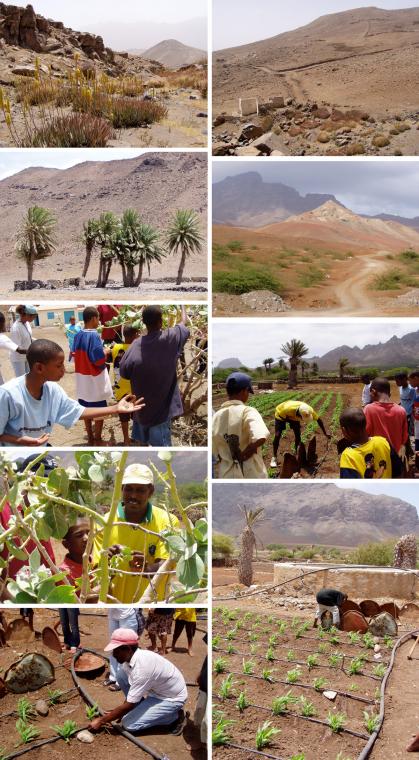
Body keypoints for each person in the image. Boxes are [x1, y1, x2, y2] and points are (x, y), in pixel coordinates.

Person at [0, 339, 144, 446]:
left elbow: (78, 412)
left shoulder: (53, 391)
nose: (64, 369)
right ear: (39, 368)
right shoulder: (8, 394)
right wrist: (18, 440)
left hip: (40, 451)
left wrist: (116, 408)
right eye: (58, 365)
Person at [92, 463, 179, 603]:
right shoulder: (105, 523)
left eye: (140, 490)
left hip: (150, 603)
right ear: (121, 489)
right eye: (129, 489)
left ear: (150, 491)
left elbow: (166, 567)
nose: (133, 495)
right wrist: (107, 562)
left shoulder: (167, 521)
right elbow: (96, 575)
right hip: (114, 603)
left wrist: (146, 568)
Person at [89, 628, 187, 734]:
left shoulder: (142, 668)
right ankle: (139, 707)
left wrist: (102, 720)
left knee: (129, 724)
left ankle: (174, 716)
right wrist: (121, 711)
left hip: (170, 699)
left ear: (127, 649)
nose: (113, 654)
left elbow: (129, 704)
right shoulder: (131, 658)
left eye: (116, 650)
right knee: (121, 675)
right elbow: (129, 700)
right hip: (157, 692)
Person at [119, 305, 190, 446]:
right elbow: (184, 322)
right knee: (162, 451)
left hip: (140, 412)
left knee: (142, 446)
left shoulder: (135, 345)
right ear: (161, 322)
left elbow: (124, 373)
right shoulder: (170, 337)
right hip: (161, 415)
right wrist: (182, 306)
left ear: (143, 323)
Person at [0, 455, 56, 599]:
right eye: (44, 481)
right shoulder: (3, 512)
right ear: (26, 481)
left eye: (53, 485)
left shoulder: (42, 516)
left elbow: (49, 568)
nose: (49, 490)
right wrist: (13, 601)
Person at [212, 372, 270, 479]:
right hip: (250, 473)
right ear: (244, 391)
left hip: (226, 475)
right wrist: (246, 453)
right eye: (248, 391)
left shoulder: (216, 416)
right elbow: (261, 435)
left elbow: (214, 451)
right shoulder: (247, 411)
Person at [73, 306, 114, 445]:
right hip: (93, 379)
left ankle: (90, 436)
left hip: (81, 377)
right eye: (98, 318)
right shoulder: (94, 335)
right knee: (99, 410)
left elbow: (74, 354)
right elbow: (97, 359)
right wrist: (106, 351)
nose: (100, 321)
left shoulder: (78, 334)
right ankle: (97, 438)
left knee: (85, 408)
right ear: (93, 318)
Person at [364, 377, 408, 477]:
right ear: (389, 394)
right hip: (394, 459)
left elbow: (365, 434)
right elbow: (404, 438)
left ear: (373, 391)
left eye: (370, 393)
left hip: (377, 461)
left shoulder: (369, 409)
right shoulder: (401, 410)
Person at [271, 399, 330, 468]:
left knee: (298, 435)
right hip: (280, 414)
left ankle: (297, 454)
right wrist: (291, 421)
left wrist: (325, 433)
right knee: (277, 435)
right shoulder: (286, 409)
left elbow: (319, 420)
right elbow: (283, 417)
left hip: (293, 415)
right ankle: (274, 457)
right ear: (299, 415)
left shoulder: (309, 410)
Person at [339, 407, 392, 478]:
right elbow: (398, 472)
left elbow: (350, 487)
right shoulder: (383, 442)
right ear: (365, 423)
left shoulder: (348, 456)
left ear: (344, 430)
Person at [110, 324, 139, 446]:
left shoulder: (115, 347)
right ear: (135, 335)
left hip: (119, 389)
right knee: (136, 415)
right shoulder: (137, 348)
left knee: (123, 417)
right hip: (134, 388)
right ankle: (136, 437)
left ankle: (126, 439)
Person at [105, 608, 140, 691]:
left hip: (127, 614)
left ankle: (121, 680)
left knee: (124, 648)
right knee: (113, 646)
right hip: (113, 613)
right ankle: (113, 677)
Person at [59, 517, 90, 589]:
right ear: (66, 544)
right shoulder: (64, 574)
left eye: (89, 533)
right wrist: (104, 580)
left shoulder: (94, 563)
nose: (87, 538)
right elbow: (81, 600)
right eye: (79, 535)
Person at [0, 311, 27, 385]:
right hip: (17, 359)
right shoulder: (2, 338)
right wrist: (36, 350)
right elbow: (20, 350)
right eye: (3, 322)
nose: (5, 325)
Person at [10, 305, 37, 377]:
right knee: (21, 379)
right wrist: (33, 352)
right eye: (34, 316)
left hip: (27, 356)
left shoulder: (27, 323)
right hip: (18, 358)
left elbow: (28, 337)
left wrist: (38, 341)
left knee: (28, 376)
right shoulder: (16, 328)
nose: (34, 318)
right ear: (27, 315)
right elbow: (17, 349)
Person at [395, 372, 416, 436]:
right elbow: (403, 400)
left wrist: (412, 416)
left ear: (404, 379)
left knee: (408, 432)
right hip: (402, 414)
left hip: (409, 415)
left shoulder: (412, 389)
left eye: (397, 381)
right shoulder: (400, 388)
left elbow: (414, 403)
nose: (396, 383)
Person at [410, 370, 419, 474]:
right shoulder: (416, 390)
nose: (410, 383)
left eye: (411, 380)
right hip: (417, 424)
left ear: (416, 378)